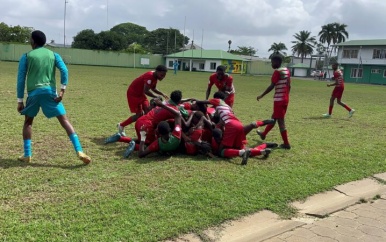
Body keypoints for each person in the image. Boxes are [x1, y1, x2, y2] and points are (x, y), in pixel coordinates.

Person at [16, 30, 91, 164]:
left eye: (30, 39)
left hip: (34, 93)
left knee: (28, 122)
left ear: (33, 41)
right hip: (50, 93)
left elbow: (21, 79)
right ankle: (79, 150)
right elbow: (64, 70)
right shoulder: (53, 54)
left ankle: (27, 154)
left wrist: (20, 101)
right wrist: (62, 90)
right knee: (64, 120)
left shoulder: (26, 56)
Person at [117, 65, 169, 135]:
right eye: (161, 75)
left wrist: (162, 94)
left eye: (164, 76)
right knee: (139, 115)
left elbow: (153, 88)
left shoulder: (155, 76)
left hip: (141, 94)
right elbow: (146, 91)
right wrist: (156, 96)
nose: (162, 77)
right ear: (157, 71)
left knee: (148, 111)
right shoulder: (150, 76)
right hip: (133, 94)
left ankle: (147, 130)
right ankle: (121, 125)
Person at [256, 54, 291, 149]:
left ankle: (286, 144)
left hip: (279, 100)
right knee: (274, 117)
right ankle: (263, 134)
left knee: (280, 121)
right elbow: (289, 86)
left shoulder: (277, 72)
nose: (271, 64)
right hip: (285, 99)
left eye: (272, 62)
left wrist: (261, 95)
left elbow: (272, 86)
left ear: (277, 62)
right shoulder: (286, 70)